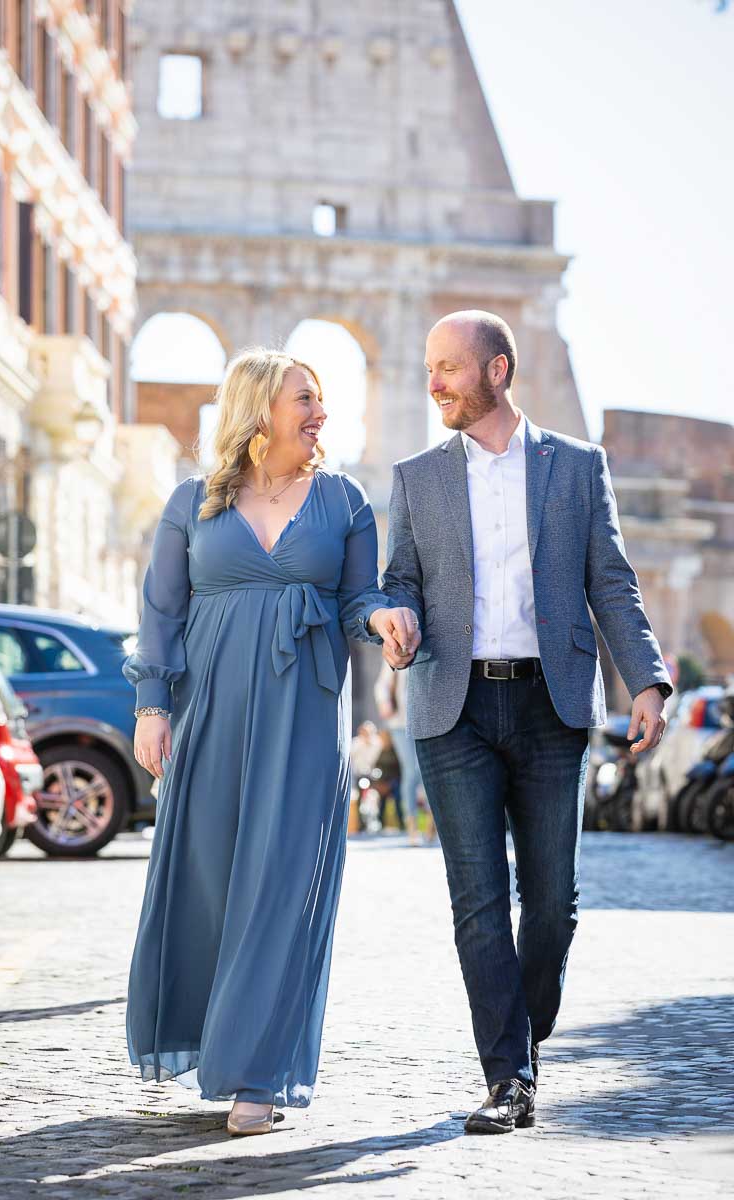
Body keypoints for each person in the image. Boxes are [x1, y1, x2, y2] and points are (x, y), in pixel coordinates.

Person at [380, 310, 672, 1134]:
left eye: (448, 367)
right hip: (453, 705)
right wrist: (393, 617)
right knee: (478, 901)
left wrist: (645, 680)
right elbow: (397, 577)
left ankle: (523, 1028)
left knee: (553, 907)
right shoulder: (417, 476)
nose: (432, 382)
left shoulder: (577, 467)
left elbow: (610, 580)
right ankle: (507, 1076)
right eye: (428, 367)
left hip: (553, 704)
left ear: (498, 371)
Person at [122, 348, 418, 1137]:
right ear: (259, 410)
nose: (321, 413)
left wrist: (384, 617)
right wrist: (153, 707)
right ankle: (207, 1038)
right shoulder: (193, 501)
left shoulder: (345, 501)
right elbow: (161, 611)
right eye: (306, 399)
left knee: (284, 887)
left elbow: (358, 598)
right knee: (212, 880)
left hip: (305, 707)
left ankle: (256, 1077)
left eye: (320, 400)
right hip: (210, 707)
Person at [374, 660, 432, 844]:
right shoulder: (397, 647)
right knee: (411, 771)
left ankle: (433, 822)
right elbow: (381, 685)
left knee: (426, 772)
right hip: (400, 724)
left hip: (425, 722)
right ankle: (412, 826)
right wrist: (384, 704)